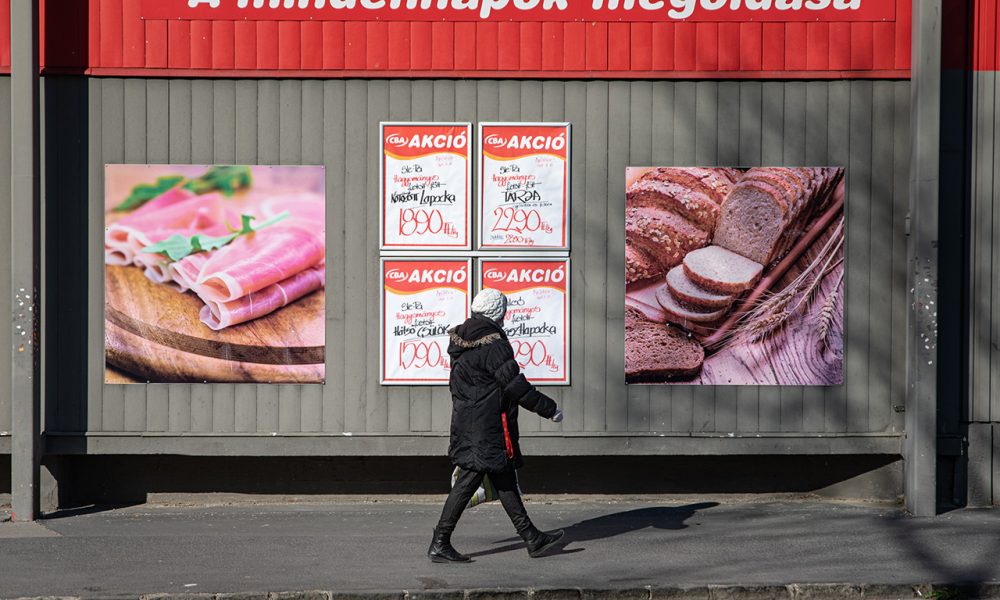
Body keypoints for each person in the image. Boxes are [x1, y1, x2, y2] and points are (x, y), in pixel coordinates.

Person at [427, 288, 565, 563]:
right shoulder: (494, 345)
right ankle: (440, 542)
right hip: (488, 426)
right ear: (499, 313)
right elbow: (514, 386)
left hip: (469, 421)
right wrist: (549, 409)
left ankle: (532, 538)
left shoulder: (462, 342)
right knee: (468, 481)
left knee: (504, 478)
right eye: (504, 310)